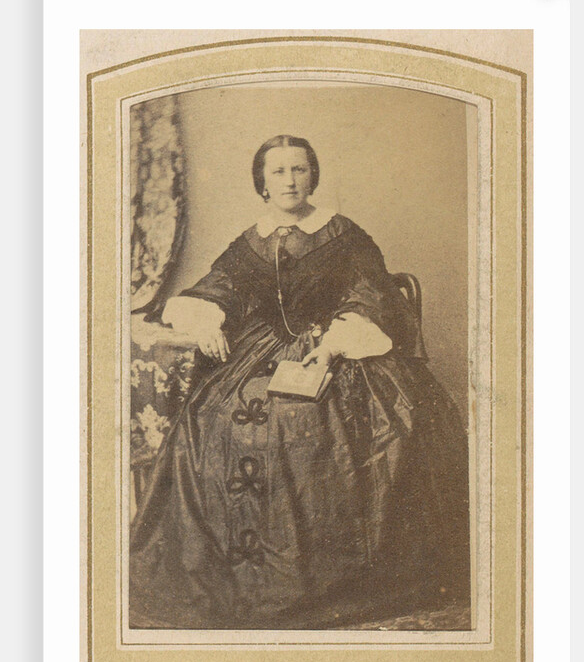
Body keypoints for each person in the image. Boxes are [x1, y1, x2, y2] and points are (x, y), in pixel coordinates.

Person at [129, 134, 470, 630]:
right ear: (261, 183)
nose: (290, 181)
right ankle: (235, 577)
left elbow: (370, 293)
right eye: (278, 172)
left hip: (340, 350)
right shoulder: (253, 239)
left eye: (299, 170)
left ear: (312, 176)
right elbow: (219, 285)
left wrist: (332, 345)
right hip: (262, 350)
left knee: (316, 424)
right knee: (212, 416)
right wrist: (207, 322)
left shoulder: (341, 233)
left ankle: (331, 579)